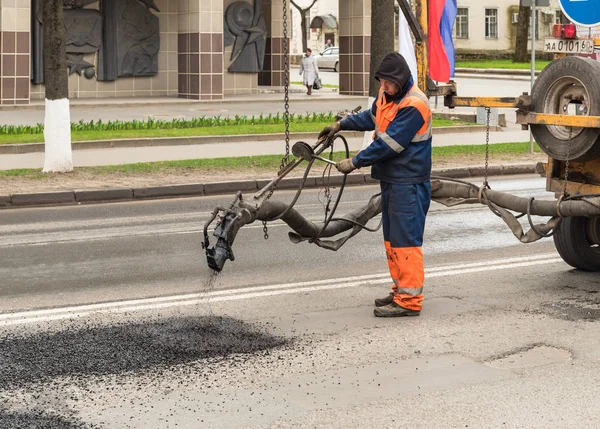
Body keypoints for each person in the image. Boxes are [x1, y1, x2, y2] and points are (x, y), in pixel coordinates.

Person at [319, 52, 432, 318]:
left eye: (387, 83)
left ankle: (409, 302)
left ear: (400, 80)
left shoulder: (415, 105)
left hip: (409, 181)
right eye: (381, 82)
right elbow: (372, 117)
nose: (383, 87)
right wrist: (341, 124)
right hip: (393, 180)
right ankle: (400, 291)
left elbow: (389, 144)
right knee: (393, 241)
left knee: (406, 242)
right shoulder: (388, 97)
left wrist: (355, 162)